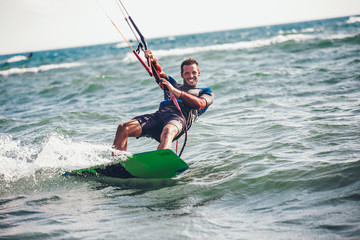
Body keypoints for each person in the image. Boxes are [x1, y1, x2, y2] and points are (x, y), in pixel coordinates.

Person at [112, 50, 214, 153]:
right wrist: (152, 60)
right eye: (187, 73)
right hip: (159, 116)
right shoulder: (173, 84)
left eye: (194, 72)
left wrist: (174, 91)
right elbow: (158, 73)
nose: (191, 76)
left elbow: (199, 104)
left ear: (199, 73)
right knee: (123, 128)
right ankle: (118, 164)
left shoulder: (205, 91)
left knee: (168, 131)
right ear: (182, 75)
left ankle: (160, 162)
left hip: (178, 120)